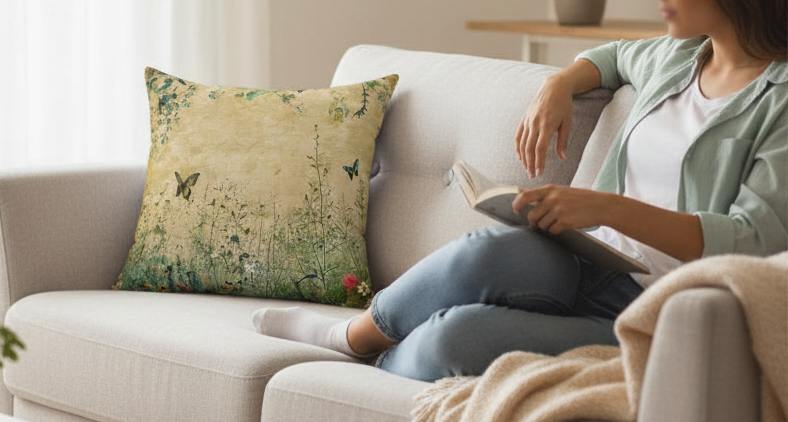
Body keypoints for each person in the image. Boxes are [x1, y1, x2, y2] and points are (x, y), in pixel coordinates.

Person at [253, 0, 787, 381]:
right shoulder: (676, 58)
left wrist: (605, 207)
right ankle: (349, 337)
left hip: (656, 312)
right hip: (592, 259)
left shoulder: (779, 100)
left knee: (453, 339)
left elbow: (751, 241)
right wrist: (556, 86)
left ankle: (380, 363)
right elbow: (613, 57)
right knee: (481, 253)